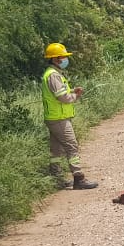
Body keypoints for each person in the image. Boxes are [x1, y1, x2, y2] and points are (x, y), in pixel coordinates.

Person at [42, 43, 98, 189]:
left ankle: (56, 179)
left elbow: (59, 92)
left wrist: (72, 90)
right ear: (55, 59)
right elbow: (63, 98)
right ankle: (78, 178)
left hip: (54, 118)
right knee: (72, 146)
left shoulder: (52, 74)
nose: (66, 60)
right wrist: (75, 95)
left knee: (56, 150)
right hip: (59, 119)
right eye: (63, 57)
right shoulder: (53, 75)